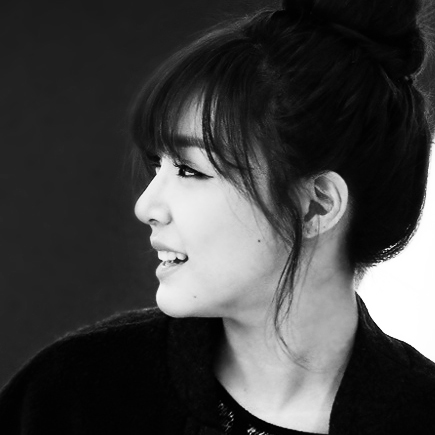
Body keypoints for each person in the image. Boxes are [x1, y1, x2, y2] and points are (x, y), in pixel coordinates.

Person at [0, 0, 434, 433]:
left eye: (190, 170)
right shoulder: (72, 394)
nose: (146, 207)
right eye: (157, 164)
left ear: (316, 204)